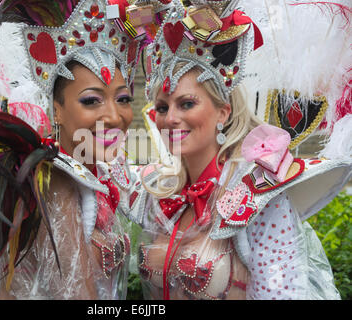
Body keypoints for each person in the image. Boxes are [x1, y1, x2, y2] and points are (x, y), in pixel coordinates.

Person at [0, 0, 170, 299]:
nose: (113, 116)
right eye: (91, 100)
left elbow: (148, 189)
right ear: (57, 111)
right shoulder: (57, 183)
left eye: (121, 99)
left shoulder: (97, 169)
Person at [116, 0, 352, 300]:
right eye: (162, 107)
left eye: (187, 103)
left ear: (223, 112)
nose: (170, 118)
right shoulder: (157, 192)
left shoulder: (258, 196)